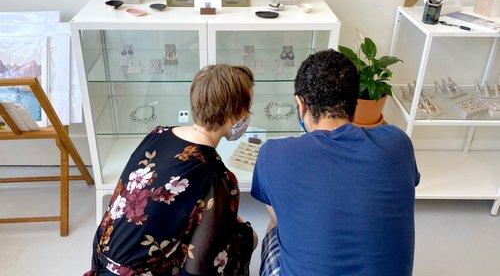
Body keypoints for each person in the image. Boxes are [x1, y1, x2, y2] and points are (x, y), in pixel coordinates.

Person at [251, 50, 420, 276]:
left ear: (300, 105)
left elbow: (282, 219)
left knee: (274, 232)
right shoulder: (398, 143)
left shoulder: (273, 154)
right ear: (355, 102)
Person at [85, 65, 257, 276]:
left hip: (103, 255)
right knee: (246, 236)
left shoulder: (158, 134)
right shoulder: (217, 176)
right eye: (248, 107)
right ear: (232, 116)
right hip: (142, 272)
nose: (249, 114)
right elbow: (198, 267)